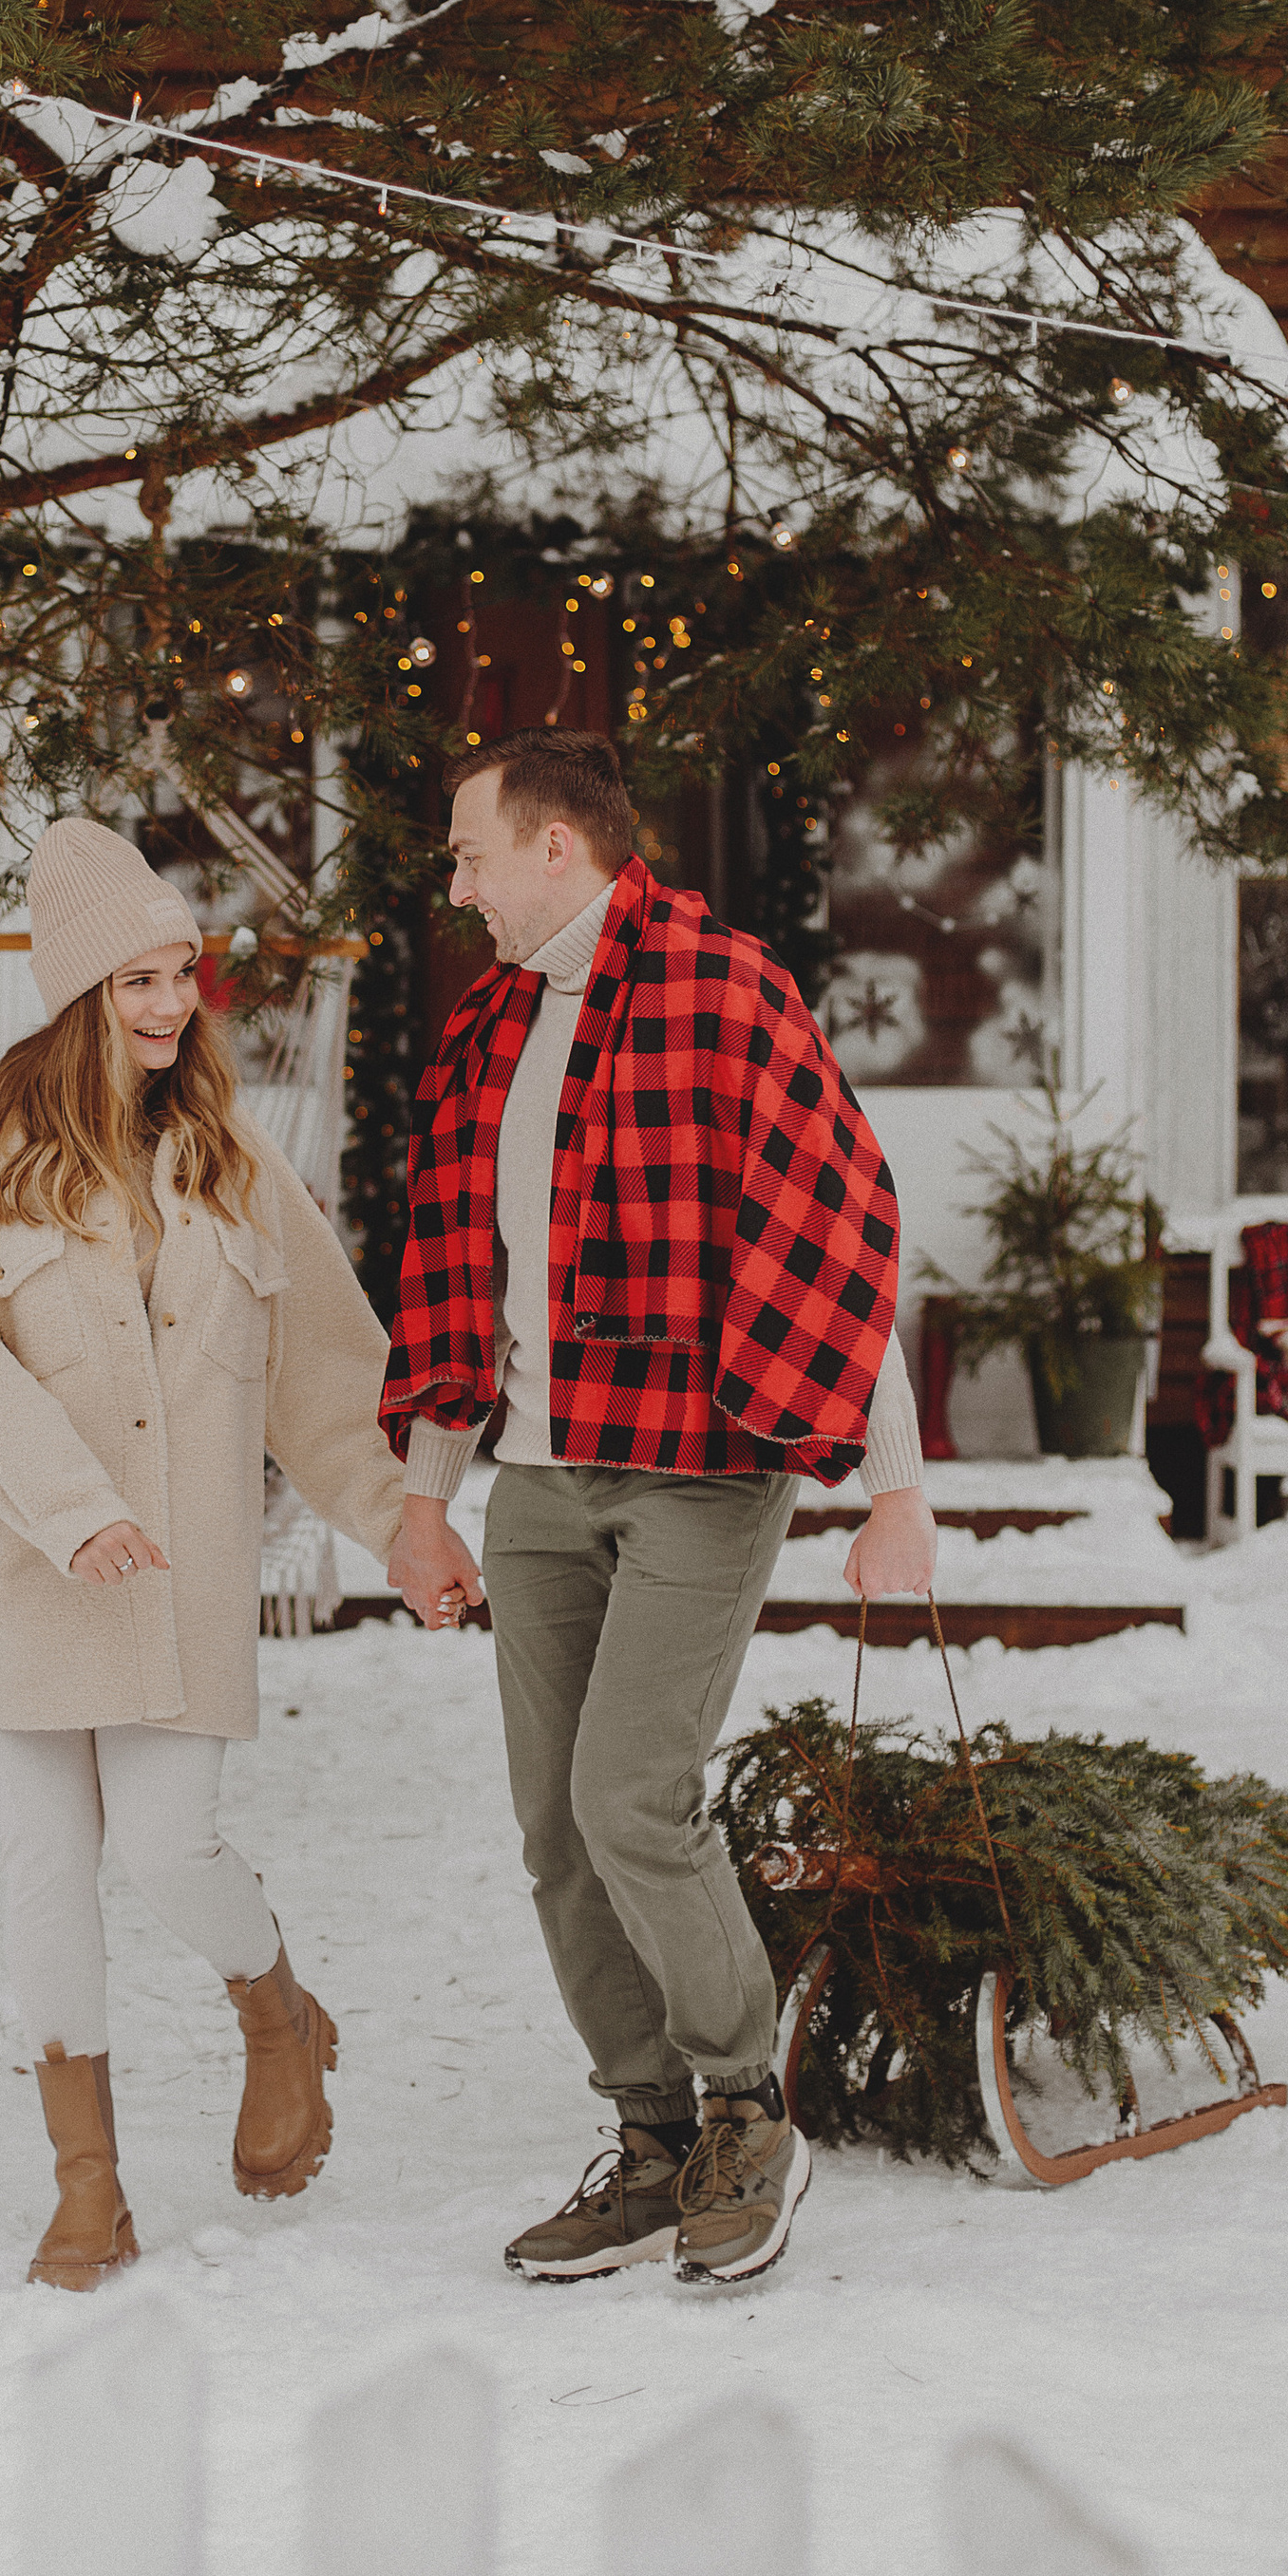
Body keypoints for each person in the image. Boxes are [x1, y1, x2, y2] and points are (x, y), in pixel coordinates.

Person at [382, 729, 936, 2293]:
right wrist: (425, 1502)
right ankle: (646, 2139)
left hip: (701, 1462)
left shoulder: (725, 990)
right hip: (543, 1476)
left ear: (560, 848)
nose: (459, 885)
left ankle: (748, 2113)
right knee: (558, 1826)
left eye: (472, 853)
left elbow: (839, 1247)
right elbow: (455, 1283)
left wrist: (897, 1488)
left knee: (633, 1793)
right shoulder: (492, 1027)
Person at [0, 817, 413, 2291]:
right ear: (74, 996)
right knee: (45, 1873)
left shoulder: (236, 1171)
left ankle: (278, 2016)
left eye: (183, 971)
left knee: (171, 1845)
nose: (172, 1002)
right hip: (23, 1574)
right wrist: (74, 1512)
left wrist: (402, 1526)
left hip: (177, 1580)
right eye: (138, 977)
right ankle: (89, 2189)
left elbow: (326, 1371)